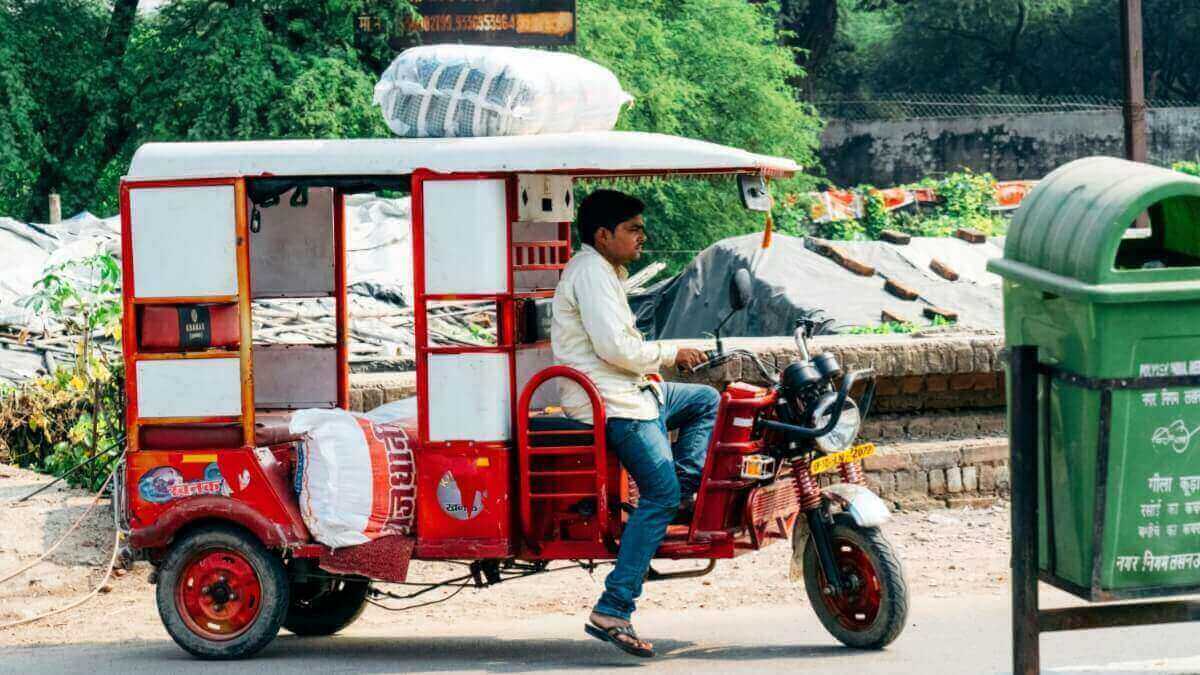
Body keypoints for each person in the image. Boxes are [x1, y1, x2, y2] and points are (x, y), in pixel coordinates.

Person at [550, 189, 719, 658]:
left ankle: (684, 490)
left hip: (637, 392)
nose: (642, 238)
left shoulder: (606, 272)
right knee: (658, 494)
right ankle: (613, 606)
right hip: (612, 404)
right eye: (633, 229)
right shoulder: (590, 274)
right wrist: (669, 352)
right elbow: (617, 351)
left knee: (706, 400)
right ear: (603, 235)